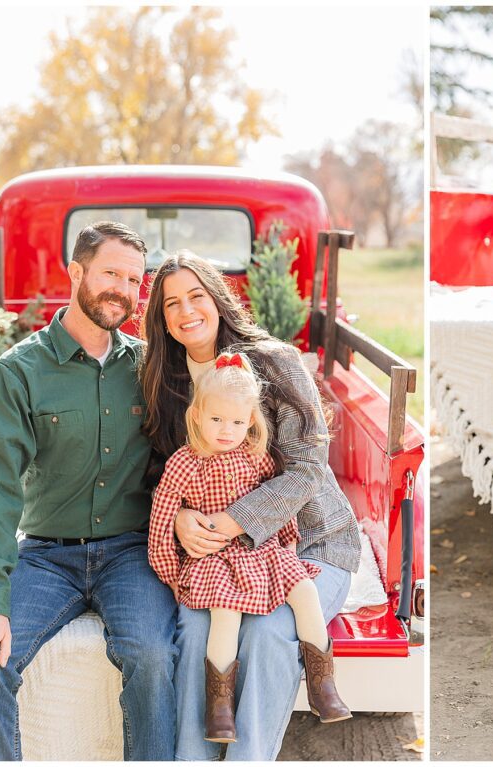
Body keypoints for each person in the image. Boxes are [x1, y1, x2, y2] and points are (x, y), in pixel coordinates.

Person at [0, 222, 177, 760]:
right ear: (75, 272)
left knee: (151, 656)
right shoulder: (19, 371)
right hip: (47, 554)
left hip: (131, 553)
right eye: (110, 273)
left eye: (133, 279)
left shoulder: (147, 367)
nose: (122, 289)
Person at [138, 250, 361, 760]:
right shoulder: (161, 380)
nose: (185, 311)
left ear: (217, 299)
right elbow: (156, 474)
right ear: (161, 318)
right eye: (171, 303)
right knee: (196, 631)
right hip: (215, 561)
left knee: (268, 633)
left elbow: (307, 467)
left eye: (196, 296)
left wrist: (235, 519)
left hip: (309, 543)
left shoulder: (274, 362)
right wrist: (178, 517)